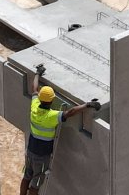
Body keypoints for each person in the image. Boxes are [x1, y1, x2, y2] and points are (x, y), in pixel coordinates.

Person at [21, 67, 100, 195]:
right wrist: (88, 105)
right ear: (52, 100)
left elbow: (34, 89)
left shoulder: (34, 108)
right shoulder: (52, 116)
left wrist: (37, 74)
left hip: (30, 152)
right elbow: (71, 112)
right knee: (35, 185)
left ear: (40, 98)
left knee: (26, 177)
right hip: (42, 157)